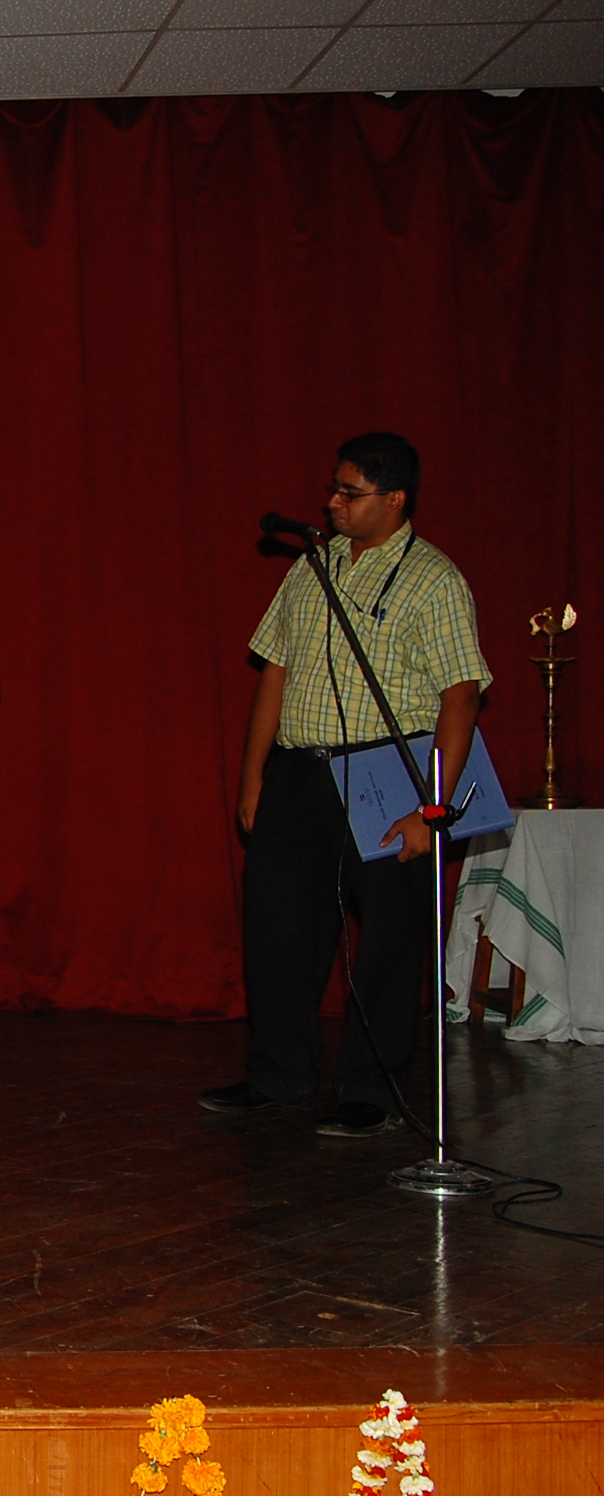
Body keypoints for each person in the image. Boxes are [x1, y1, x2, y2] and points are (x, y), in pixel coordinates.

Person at [202, 433, 490, 1138]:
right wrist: (254, 777)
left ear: (394, 500)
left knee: (389, 938)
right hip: (301, 773)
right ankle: (279, 1075)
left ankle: (373, 1091)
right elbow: (275, 670)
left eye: (349, 492)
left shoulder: (434, 580)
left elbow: (461, 696)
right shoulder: (313, 567)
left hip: (388, 774)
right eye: (333, 487)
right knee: (279, 929)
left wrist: (431, 806)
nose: (332, 502)